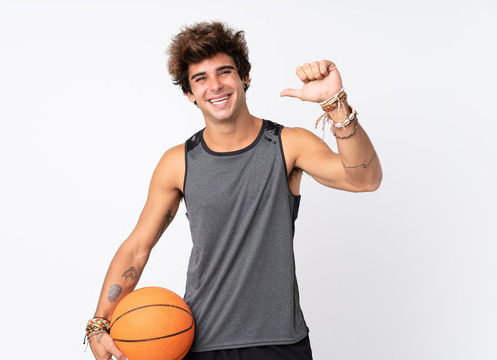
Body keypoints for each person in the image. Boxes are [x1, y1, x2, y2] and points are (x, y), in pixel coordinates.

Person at [85, 21, 382, 360]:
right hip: (201, 343)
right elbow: (138, 247)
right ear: (189, 93)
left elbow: (365, 179)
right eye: (201, 78)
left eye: (224, 72)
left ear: (245, 77)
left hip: (280, 344)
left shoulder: (288, 144)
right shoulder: (178, 163)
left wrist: (335, 103)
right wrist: (99, 321)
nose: (215, 85)